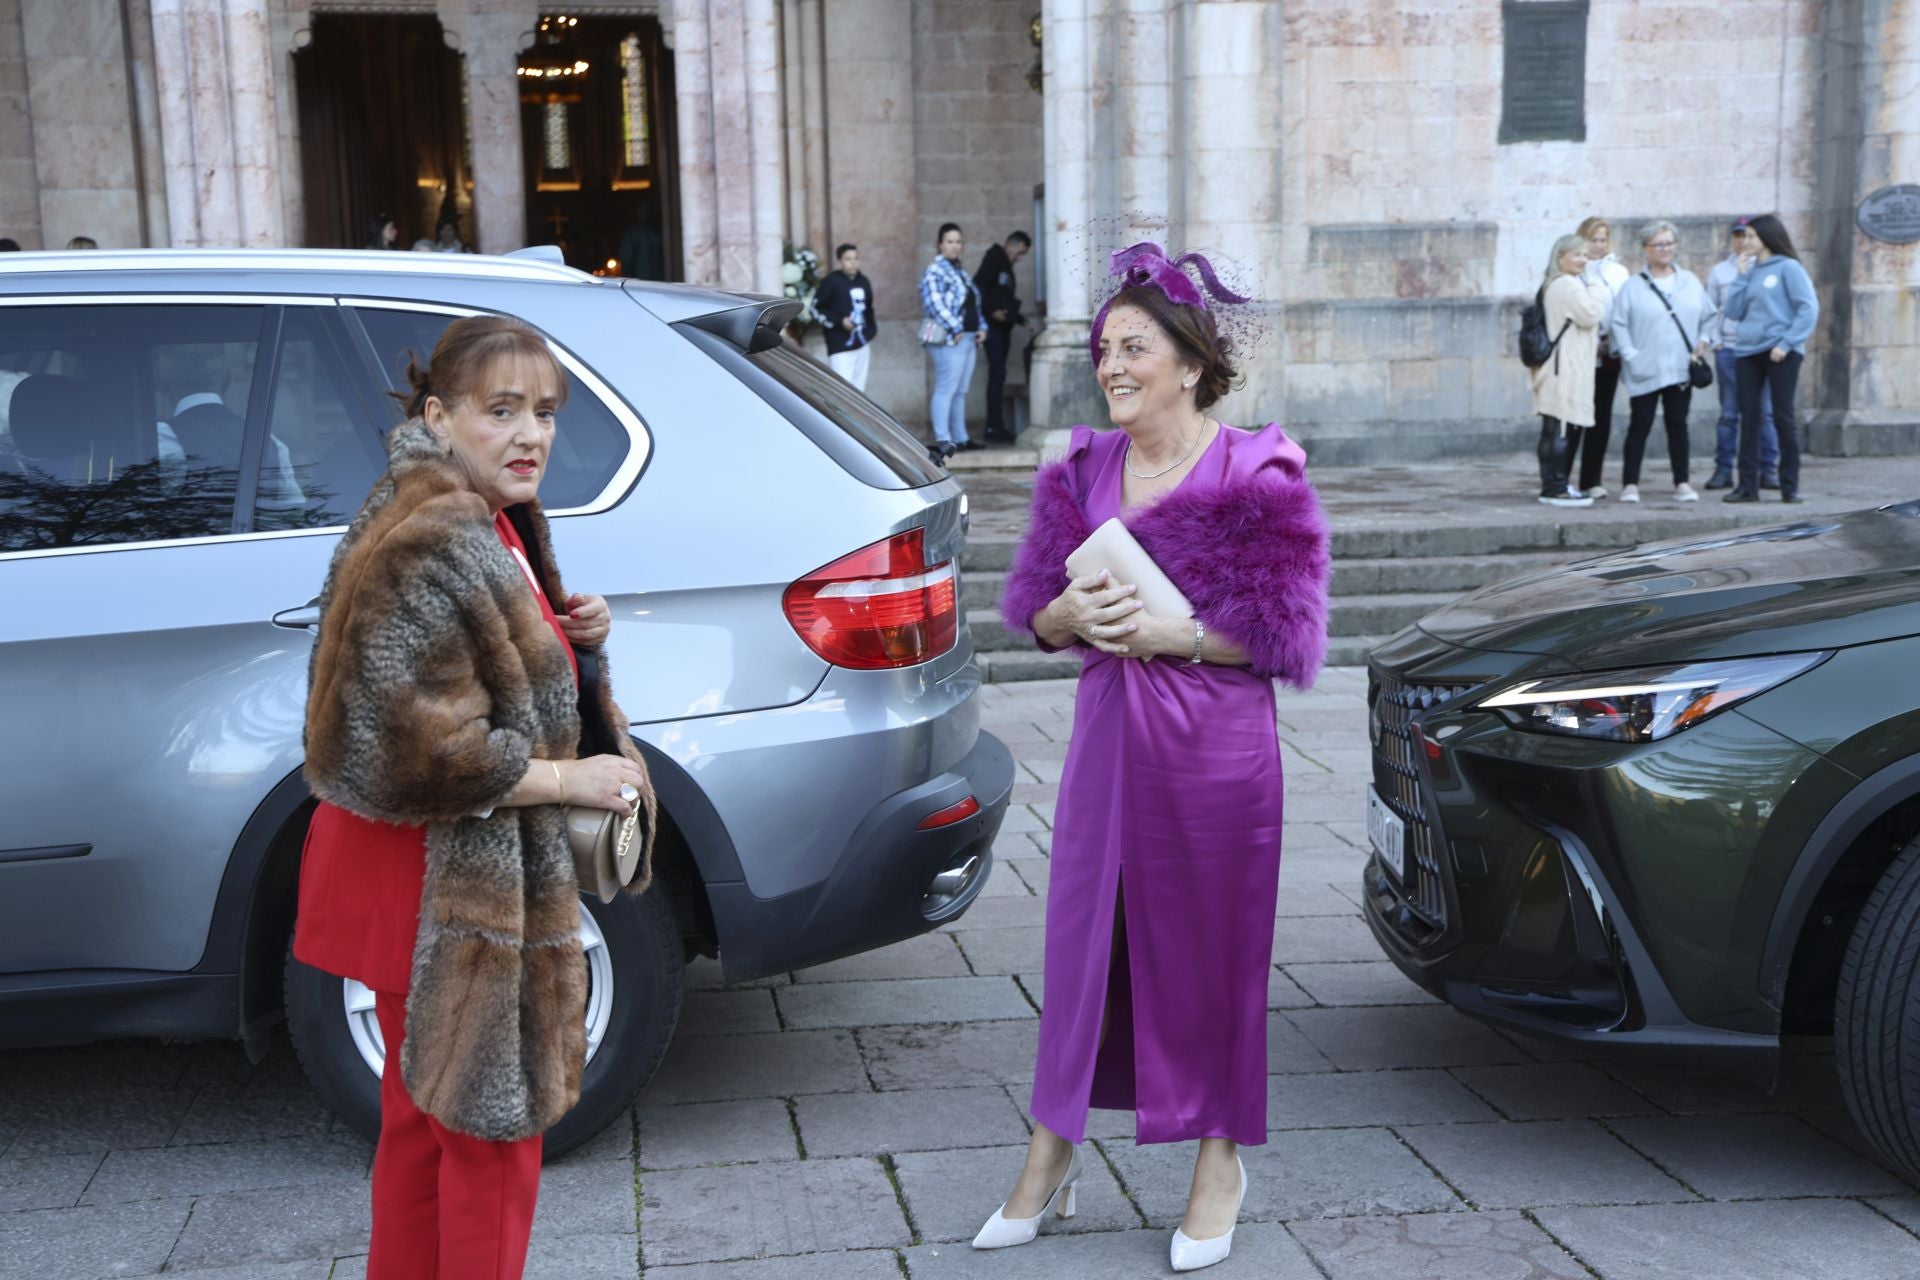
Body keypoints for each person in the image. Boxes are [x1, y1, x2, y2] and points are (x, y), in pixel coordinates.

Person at [988, 242, 1330, 1274]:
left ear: (1190, 362)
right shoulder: (1081, 466)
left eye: (1134, 346)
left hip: (1216, 751)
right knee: (1084, 948)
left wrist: (1171, 638)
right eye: (1103, 348)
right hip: (1105, 749)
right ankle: (1053, 1149)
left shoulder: (1257, 467)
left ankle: (1218, 1158)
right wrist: (1065, 608)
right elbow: (1035, 616)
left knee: (1212, 952)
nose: (1113, 364)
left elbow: (1288, 638)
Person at [295, 315, 655, 1280]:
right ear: (438, 415)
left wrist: (574, 640)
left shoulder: (481, 513)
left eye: (543, 411)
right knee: (492, 1140)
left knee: (424, 1128)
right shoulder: (431, 534)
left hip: (447, 885)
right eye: (502, 410)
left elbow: (483, 681)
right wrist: (567, 778)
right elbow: (402, 749)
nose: (531, 433)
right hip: (445, 892)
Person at [1606, 220, 1715, 503]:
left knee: (1678, 425)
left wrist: (1703, 340)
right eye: (1658, 244)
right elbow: (1618, 323)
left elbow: (1709, 314)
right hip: (1645, 367)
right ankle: (1630, 483)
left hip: (1680, 367)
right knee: (1639, 425)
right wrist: (1630, 353)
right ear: (1645, 249)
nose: (1665, 249)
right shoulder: (1632, 287)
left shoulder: (1690, 281)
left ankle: (1682, 482)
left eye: (1669, 243)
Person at [1722, 213, 1818, 504]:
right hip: (1748, 352)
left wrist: (1787, 343)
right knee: (1748, 419)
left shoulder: (1789, 268)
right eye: (1744, 237)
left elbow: (1808, 309)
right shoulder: (1749, 270)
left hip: (1780, 353)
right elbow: (1734, 312)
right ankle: (1747, 487)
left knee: (1782, 416)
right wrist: (1739, 276)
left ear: (1766, 237)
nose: (1745, 242)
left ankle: (1790, 486)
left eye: (1751, 236)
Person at [1529, 234, 1609, 508]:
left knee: (1552, 428)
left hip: (1556, 365)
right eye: (1577, 255)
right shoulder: (1567, 285)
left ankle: (1552, 485)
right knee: (1560, 428)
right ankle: (1557, 487)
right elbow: (1590, 314)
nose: (1583, 261)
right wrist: (1596, 285)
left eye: (1585, 255)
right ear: (1560, 257)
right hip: (1564, 368)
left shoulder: (1553, 283)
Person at [1705, 218, 1779, 489]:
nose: (1742, 241)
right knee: (1729, 413)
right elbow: (1710, 309)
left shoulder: (1770, 268)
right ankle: (1723, 469)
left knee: (1765, 413)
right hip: (1730, 349)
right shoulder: (1720, 272)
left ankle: (1767, 469)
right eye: (1738, 235)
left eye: (1747, 236)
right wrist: (1716, 342)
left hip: (1761, 350)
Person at [918, 222, 986, 462]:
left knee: (960, 390)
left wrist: (981, 327)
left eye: (958, 241)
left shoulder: (960, 272)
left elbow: (973, 304)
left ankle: (960, 437)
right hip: (949, 339)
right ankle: (944, 440)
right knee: (946, 388)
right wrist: (956, 327)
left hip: (968, 337)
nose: (955, 246)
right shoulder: (935, 271)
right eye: (950, 241)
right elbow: (934, 304)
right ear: (940, 244)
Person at [1574, 216, 1628, 498]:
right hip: (1580, 351)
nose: (1598, 245)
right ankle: (1562, 476)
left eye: (1602, 239)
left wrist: (1613, 341)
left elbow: (1624, 309)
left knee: (1601, 415)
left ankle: (1591, 479)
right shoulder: (1575, 270)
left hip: (1609, 350)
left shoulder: (1618, 272)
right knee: (1574, 416)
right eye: (1593, 239)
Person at [974, 230, 1033, 443]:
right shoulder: (995, 257)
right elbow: (978, 285)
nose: (1019, 258)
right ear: (1010, 243)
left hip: (1002, 327)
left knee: (999, 375)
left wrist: (1021, 320)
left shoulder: (1006, 266)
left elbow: (1005, 298)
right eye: (1020, 252)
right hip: (992, 328)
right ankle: (993, 426)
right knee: (997, 374)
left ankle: (996, 425)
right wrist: (991, 311)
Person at [812, 243, 878, 390]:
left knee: (859, 391)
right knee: (842, 390)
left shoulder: (864, 282)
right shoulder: (831, 282)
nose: (853, 262)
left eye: (856, 258)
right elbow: (815, 309)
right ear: (840, 261)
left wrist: (871, 331)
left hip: (862, 344)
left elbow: (869, 309)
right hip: (840, 347)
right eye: (848, 259)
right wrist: (839, 322)